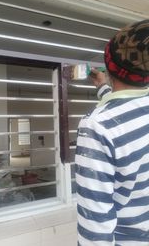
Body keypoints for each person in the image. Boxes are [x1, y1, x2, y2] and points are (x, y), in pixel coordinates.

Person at [75, 19, 149, 246]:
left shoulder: (98, 126)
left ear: (109, 63)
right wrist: (104, 88)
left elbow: (95, 224)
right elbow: (128, 115)